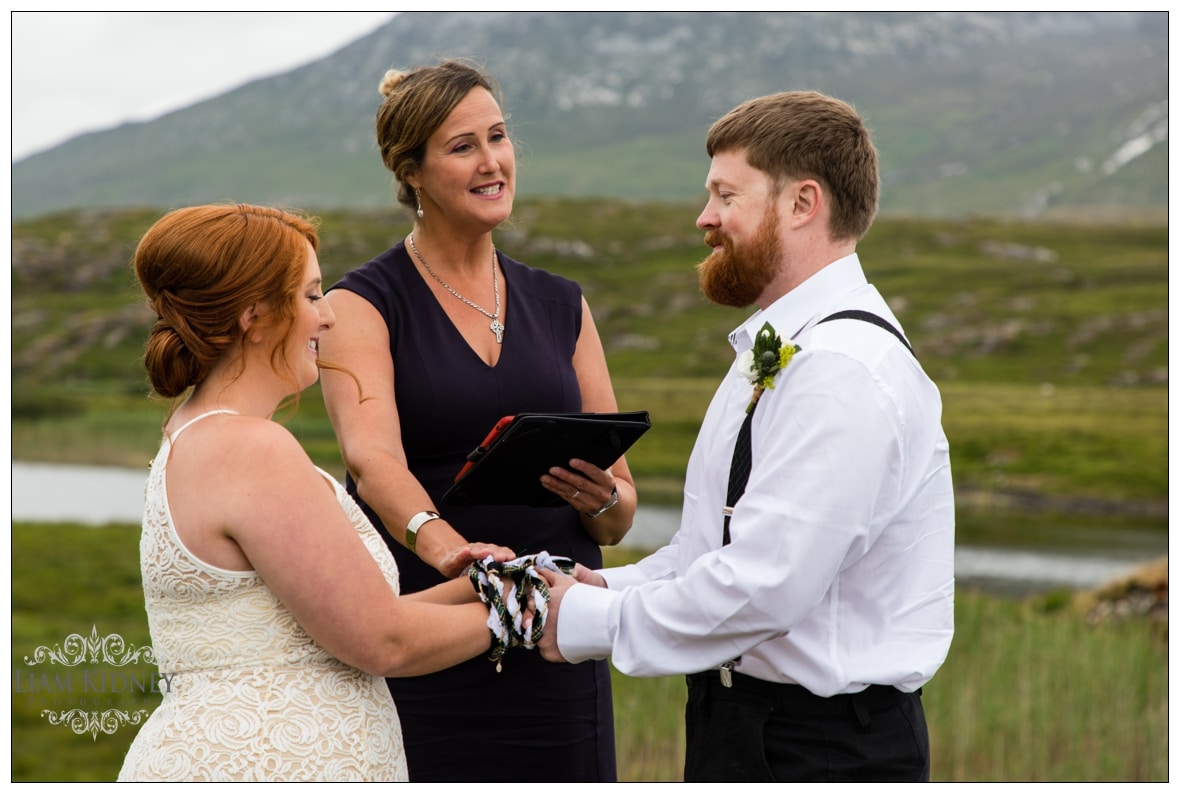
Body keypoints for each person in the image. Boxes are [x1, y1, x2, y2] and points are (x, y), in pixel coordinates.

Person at [538, 90, 955, 782]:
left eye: (725, 195)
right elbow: (714, 547)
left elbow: (765, 584)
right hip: (746, 725)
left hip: (819, 748)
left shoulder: (841, 371)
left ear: (802, 204)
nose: (705, 218)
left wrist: (586, 622)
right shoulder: (781, 347)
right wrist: (604, 589)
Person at [117, 203, 521, 782]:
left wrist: (483, 588)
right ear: (254, 314)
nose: (328, 316)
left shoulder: (198, 431)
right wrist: (533, 612)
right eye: (310, 296)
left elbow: (342, 622)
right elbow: (384, 641)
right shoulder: (251, 447)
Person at [318, 60, 636, 782]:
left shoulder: (562, 303)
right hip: (426, 630)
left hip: (556, 639)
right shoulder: (364, 305)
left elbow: (620, 513)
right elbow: (373, 463)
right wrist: (456, 555)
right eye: (463, 146)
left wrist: (605, 500)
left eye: (498, 137)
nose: (492, 161)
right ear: (412, 172)